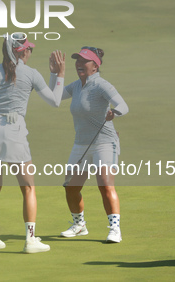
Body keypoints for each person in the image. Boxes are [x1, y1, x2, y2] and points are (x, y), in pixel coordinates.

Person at [0, 34, 66, 253]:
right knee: (28, 187)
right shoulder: (31, 74)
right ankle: (30, 240)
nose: (30, 52)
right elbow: (55, 100)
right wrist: (58, 74)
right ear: (20, 51)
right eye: (29, 49)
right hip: (13, 131)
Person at [49, 46, 129, 243]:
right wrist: (55, 74)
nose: (79, 64)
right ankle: (79, 225)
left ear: (95, 66)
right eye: (77, 60)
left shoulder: (102, 85)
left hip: (104, 142)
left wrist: (114, 113)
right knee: (71, 187)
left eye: (84, 61)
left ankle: (115, 230)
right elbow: (55, 98)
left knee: (105, 185)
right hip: (81, 145)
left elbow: (123, 106)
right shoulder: (76, 86)